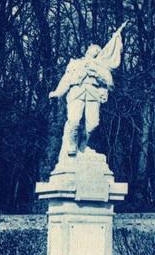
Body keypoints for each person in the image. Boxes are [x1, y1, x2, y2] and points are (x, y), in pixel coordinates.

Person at [49, 23, 127, 157]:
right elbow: (66, 79)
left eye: (97, 51)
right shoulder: (75, 63)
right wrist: (57, 92)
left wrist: (96, 74)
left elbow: (110, 83)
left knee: (93, 124)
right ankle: (72, 146)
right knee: (74, 121)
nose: (94, 52)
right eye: (93, 50)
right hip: (77, 92)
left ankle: (83, 146)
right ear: (87, 51)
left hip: (93, 94)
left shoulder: (100, 66)